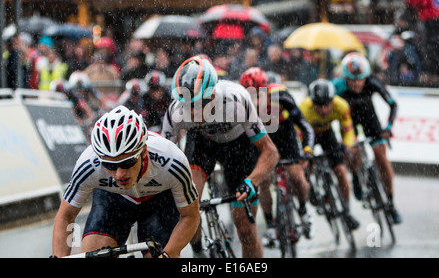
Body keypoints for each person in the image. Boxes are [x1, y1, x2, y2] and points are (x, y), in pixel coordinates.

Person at [161, 55, 279, 258]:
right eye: (188, 106)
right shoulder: (176, 111)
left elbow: (270, 151)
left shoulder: (236, 100)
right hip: (202, 145)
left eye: (198, 105)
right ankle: (198, 251)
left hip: (238, 148)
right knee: (189, 199)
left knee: (246, 231)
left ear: (213, 95)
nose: (193, 113)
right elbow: (165, 158)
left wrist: (252, 181)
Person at [52, 105, 200, 258]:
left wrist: (168, 254)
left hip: (158, 201)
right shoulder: (88, 164)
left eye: (127, 163)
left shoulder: (171, 161)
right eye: (110, 165)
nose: (119, 174)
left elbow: (191, 216)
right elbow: (65, 216)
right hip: (113, 201)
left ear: (143, 152)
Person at [239, 67, 316, 246]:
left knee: (297, 176)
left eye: (259, 95)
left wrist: (308, 150)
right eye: (251, 96)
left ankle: (304, 211)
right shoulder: (241, 104)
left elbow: (304, 125)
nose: (255, 101)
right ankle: (271, 225)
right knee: (263, 181)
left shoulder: (281, 97)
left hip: (284, 134)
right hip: (262, 137)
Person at [333, 52, 402, 224]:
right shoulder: (338, 86)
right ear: (345, 78)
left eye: (360, 80)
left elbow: (393, 104)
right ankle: (355, 176)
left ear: (366, 77)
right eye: (352, 80)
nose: (356, 84)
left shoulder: (373, 82)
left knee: (381, 156)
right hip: (349, 120)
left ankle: (391, 203)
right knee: (352, 151)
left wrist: (388, 127)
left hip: (369, 117)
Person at [299, 79, 360, 230]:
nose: (324, 110)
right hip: (309, 136)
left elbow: (348, 130)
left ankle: (347, 211)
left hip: (327, 134)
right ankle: (311, 185)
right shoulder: (304, 109)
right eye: (319, 105)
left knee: (340, 171)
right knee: (305, 164)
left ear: (333, 101)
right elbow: (298, 136)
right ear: (312, 102)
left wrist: (347, 145)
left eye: (327, 104)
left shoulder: (341, 105)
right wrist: (305, 155)